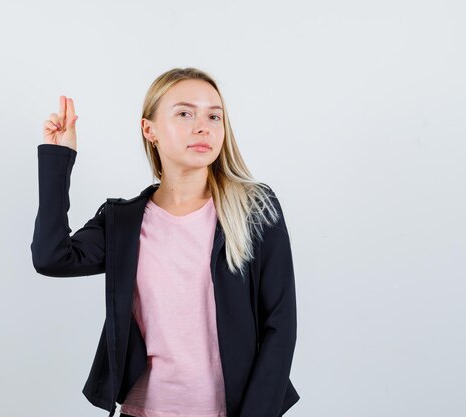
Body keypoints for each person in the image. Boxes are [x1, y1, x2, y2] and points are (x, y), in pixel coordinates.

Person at [31, 67, 300, 417]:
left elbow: (280, 325)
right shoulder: (123, 222)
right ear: (150, 129)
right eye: (185, 113)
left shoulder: (254, 209)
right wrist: (58, 158)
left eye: (213, 116)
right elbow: (51, 257)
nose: (202, 126)